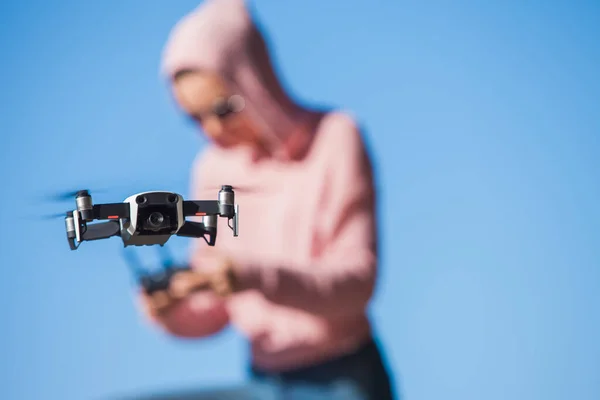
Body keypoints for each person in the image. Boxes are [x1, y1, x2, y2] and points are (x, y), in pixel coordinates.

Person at [136, 0, 397, 399]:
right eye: (195, 117)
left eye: (223, 109)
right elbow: (216, 308)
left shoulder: (334, 138)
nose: (212, 130)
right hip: (263, 381)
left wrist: (250, 276)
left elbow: (356, 283)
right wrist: (172, 309)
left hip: (342, 378)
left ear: (254, 82)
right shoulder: (212, 169)